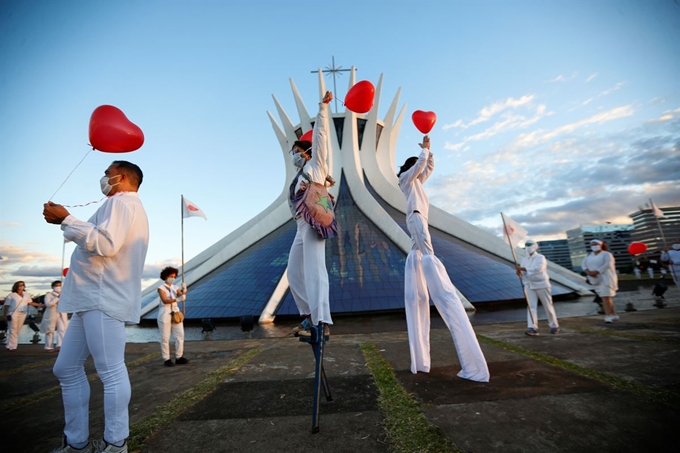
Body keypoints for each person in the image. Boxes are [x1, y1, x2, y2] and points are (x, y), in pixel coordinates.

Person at [43, 160, 149, 453]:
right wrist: (67, 221)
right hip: (91, 298)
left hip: (102, 297)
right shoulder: (122, 205)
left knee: (111, 371)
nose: (103, 178)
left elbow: (106, 244)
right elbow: (101, 238)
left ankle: (116, 443)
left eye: (107, 173)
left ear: (122, 176)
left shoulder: (122, 203)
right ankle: (76, 443)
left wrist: (66, 219)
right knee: (66, 368)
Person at [398, 135, 489, 382]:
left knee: (422, 252)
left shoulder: (416, 182)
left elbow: (426, 169)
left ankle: (429, 269)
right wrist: (424, 151)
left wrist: (430, 152)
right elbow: (419, 167)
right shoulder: (405, 180)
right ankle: (434, 275)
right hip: (416, 218)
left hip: (421, 219)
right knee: (427, 254)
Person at [288, 90, 334, 338]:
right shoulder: (301, 174)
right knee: (294, 272)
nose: (293, 155)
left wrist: (322, 110)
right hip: (299, 225)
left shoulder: (317, 165)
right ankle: (308, 317)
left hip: (314, 222)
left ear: (305, 152)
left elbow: (321, 138)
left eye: (296, 150)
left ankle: (322, 322)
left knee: (316, 269)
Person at [515, 239, 560, 336]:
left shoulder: (540, 257)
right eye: (526, 245)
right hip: (529, 285)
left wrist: (523, 269)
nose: (528, 247)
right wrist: (519, 271)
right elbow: (523, 272)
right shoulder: (524, 259)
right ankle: (532, 327)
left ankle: (554, 325)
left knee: (547, 306)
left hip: (541, 284)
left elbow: (539, 269)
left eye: (530, 245)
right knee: (531, 307)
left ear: (535, 246)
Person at [156, 266, 188, 367]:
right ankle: (167, 359)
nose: (172, 278)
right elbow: (165, 300)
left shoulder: (175, 288)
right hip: (165, 313)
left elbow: (181, 295)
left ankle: (179, 357)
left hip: (175, 312)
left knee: (180, 335)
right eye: (171, 276)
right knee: (165, 337)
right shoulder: (161, 288)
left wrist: (184, 290)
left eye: (174, 276)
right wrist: (177, 300)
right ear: (165, 276)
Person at [582, 239, 619, 323]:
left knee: (605, 297)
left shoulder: (607, 254)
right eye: (592, 244)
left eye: (596, 244)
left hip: (606, 279)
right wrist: (588, 272)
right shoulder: (588, 255)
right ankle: (613, 314)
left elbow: (608, 264)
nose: (594, 246)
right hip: (595, 280)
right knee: (606, 297)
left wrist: (597, 271)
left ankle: (608, 316)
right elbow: (583, 265)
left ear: (601, 245)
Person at [3, 281, 43, 351]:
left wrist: (40, 305)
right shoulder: (12, 295)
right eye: (20, 285)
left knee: (17, 329)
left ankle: (9, 344)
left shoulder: (26, 294)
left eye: (22, 285)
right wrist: (5, 315)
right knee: (13, 329)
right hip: (13, 313)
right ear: (16, 286)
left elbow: (30, 302)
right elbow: (6, 306)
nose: (21, 286)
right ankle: (13, 346)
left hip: (23, 313)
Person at [40, 280, 69, 352]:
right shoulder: (49, 295)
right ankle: (49, 346)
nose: (58, 287)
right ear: (53, 287)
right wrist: (57, 298)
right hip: (51, 314)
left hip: (61, 313)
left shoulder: (64, 294)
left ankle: (60, 345)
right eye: (56, 286)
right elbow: (48, 304)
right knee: (50, 330)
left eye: (60, 285)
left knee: (62, 329)